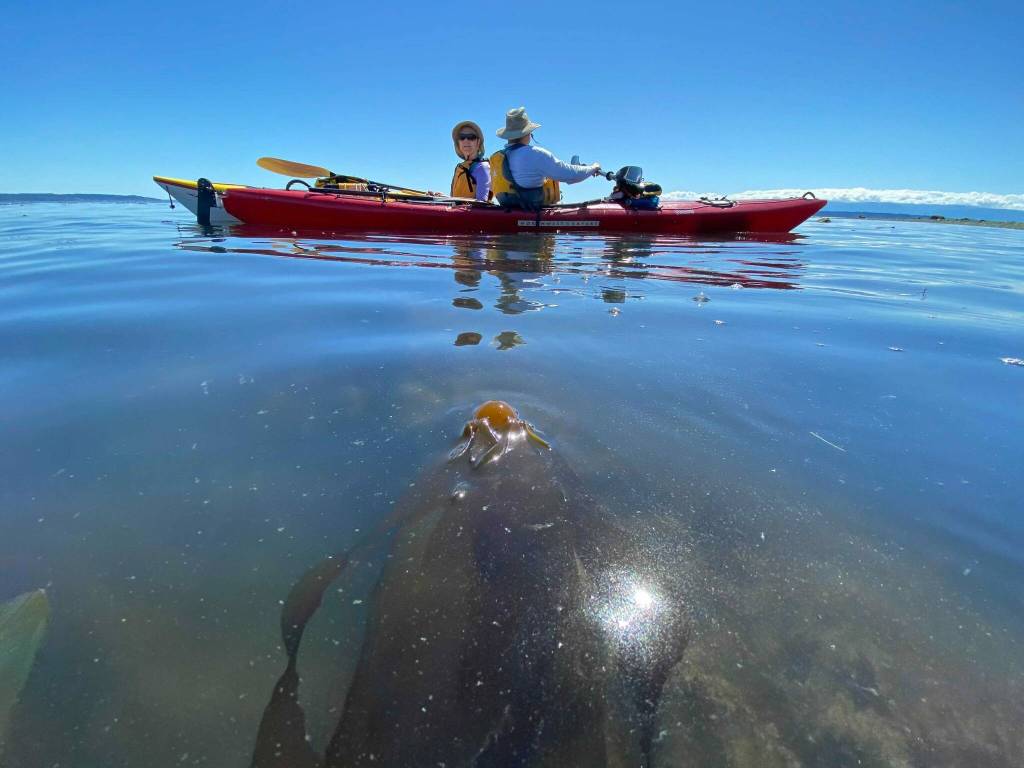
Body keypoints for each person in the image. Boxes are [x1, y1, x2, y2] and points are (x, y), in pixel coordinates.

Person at [490, 107, 602, 210]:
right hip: (532, 214)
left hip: (508, 210)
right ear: (528, 133)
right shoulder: (535, 154)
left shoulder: (497, 157)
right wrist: (593, 168)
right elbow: (570, 175)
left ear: (508, 136)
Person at [449, 120, 492, 201]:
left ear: (478, 142)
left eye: (471, 137)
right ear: (458, 143)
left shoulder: (482, 167)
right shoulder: (460, 167)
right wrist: (443, 197)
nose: (466, 140)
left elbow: (481, 204)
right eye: (462, 137)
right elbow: (455, 200)